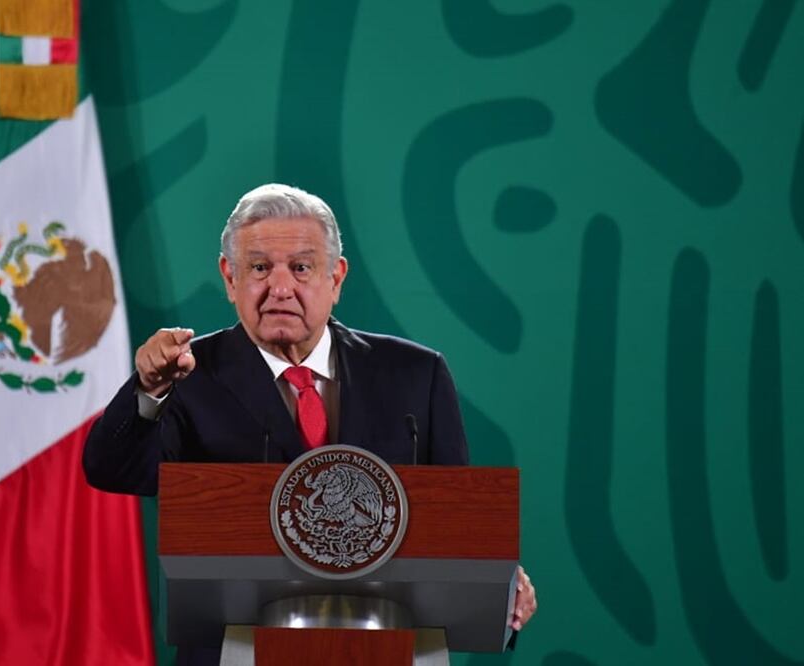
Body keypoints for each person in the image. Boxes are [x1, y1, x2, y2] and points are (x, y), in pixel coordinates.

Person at [83, 183, 537, 659]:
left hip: (390, 648)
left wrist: (503, 579)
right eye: (260, 268)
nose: (280, 288)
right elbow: (111, 469)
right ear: (229, 278)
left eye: (301, 267)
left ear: (336, 278)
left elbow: (454, 524)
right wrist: (150, 388)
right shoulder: (187, 373)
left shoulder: (415, 375)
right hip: (235, 651)